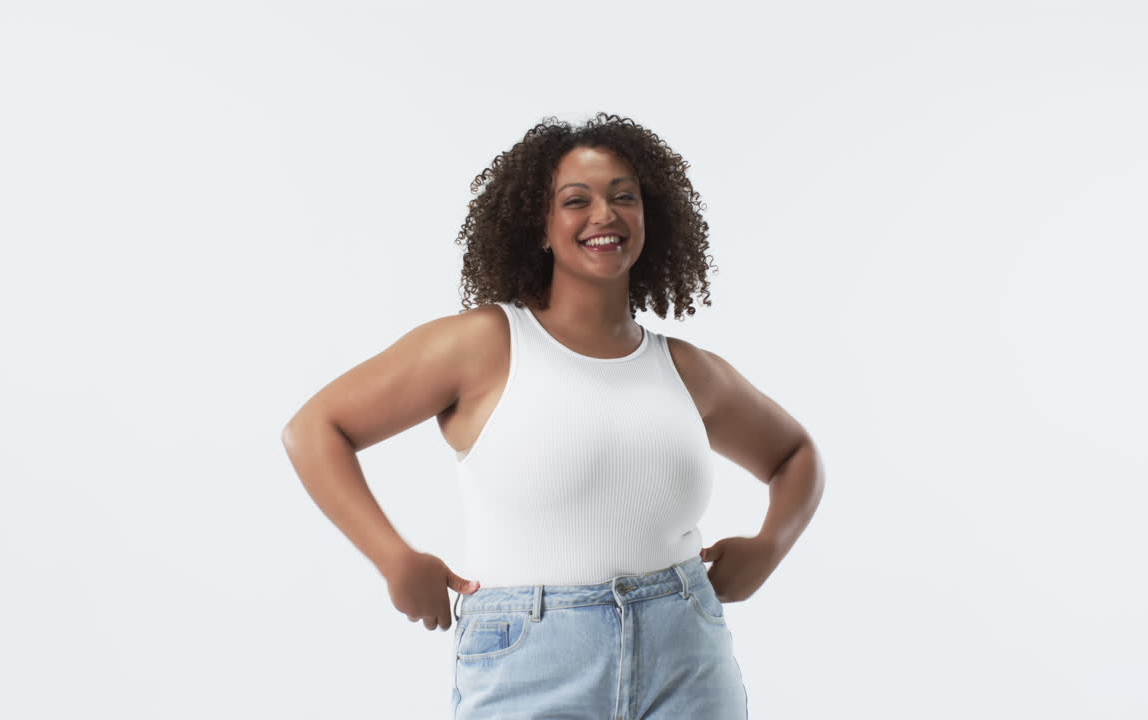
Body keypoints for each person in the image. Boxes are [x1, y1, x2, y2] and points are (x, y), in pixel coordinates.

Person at [281, 112, 825, 719]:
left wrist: (770, 546)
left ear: (652, 218)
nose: (606, 215)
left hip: (687, 653)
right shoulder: (484, 344)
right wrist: (394, 558)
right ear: (538, 226)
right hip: (530, 659)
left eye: (625, 197)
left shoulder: (689, 371)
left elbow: (794, 456)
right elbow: (315, 428)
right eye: (576, 200)